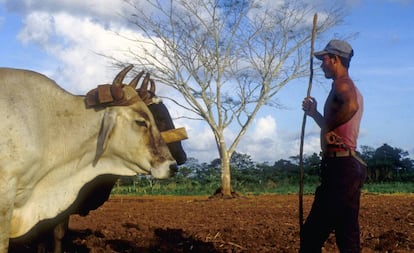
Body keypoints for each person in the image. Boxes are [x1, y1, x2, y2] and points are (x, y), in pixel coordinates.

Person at [300, 39, 367, 253]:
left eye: (324, 60)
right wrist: (315, 115)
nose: (321, 65)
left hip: (340, 169)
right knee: (347, 236)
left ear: (336, 59)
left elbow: (351, 106)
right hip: (347, 166)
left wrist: (327, 125)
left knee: (311, 235)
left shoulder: (342, 84)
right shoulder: (346, 86)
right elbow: (333, 128)